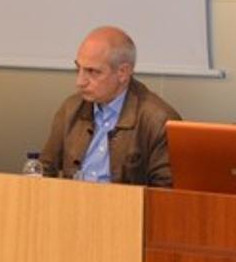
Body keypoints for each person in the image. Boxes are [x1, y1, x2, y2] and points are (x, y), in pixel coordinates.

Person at [39, 26, 180, 187]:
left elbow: (166, 192)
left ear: (123, 73)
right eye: (78, 69)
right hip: (73, 207)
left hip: (127, 210)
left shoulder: (159, 120)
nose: (80, 82)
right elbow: (44, 170)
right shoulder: (71, 108)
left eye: (92, 72)